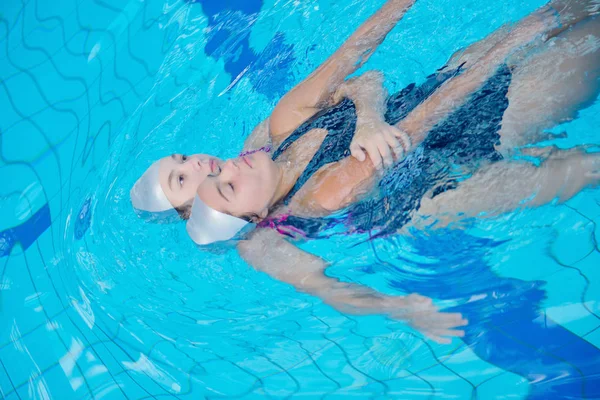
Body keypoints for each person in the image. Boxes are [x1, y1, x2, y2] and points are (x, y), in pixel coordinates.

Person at [132, 0, 600, 342]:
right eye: (184, 179)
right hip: (453, 158)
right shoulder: (297, 214)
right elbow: (322, 285)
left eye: (182, 161)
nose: (201, 164)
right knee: (574, 147)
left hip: (432, 103)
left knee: (566, 12)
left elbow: (359, 70)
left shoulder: (267, 140)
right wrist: (397, 308)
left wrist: (373, 116)